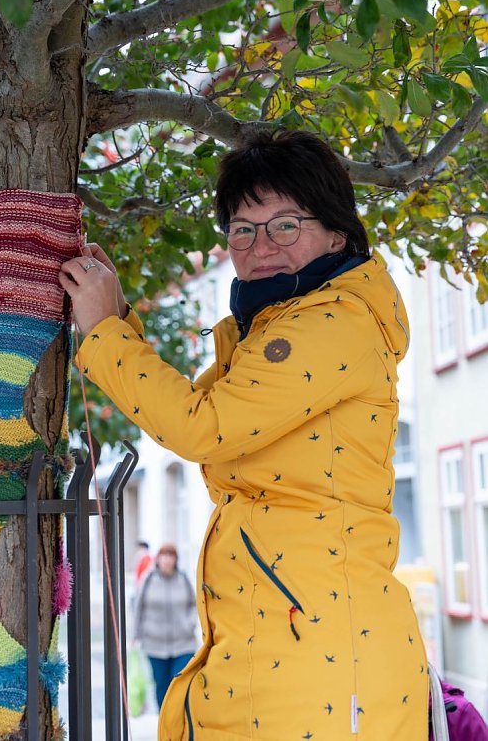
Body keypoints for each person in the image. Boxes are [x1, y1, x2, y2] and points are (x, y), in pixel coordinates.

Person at [60, 129, 428, 740]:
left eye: (286, 225)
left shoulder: (333, 322)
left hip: (321, 662)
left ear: (337, 233)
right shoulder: (272, 329)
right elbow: (204, 404)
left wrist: (103, 332)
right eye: (243, 229)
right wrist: (119, 318)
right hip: (285, 640)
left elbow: (205, 427)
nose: (262, 247)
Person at [132, 543, 198, 709]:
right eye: (164, 556)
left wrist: (190, 624)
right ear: (158, 559)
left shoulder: (183, 579)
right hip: (154, 645)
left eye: (171, 556)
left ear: (176, 560)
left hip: (184, 644)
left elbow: (194, 604)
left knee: (180, 683)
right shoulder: (148, 580)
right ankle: (165, 724)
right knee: (161, 686)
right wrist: (135, 635)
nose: (167, 560)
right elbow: (138, 607)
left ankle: (181, 725)